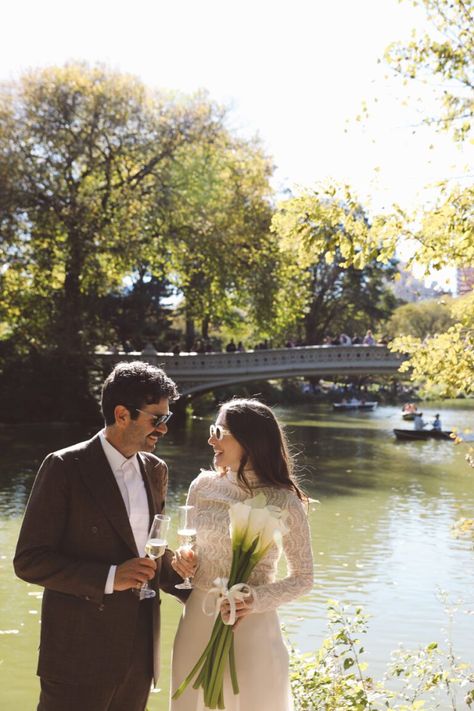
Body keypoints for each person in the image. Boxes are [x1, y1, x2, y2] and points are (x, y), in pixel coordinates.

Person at [14, 361, 187, 711]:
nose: (164, 430)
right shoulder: (64, 466)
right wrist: (111, 577)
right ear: (123, 414)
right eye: (158, 419)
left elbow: (148, 553)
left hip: (139, 655)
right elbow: (29, 561)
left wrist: (195, 586)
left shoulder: (156, 470)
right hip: (78, 657)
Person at [170, 398, 314, 711]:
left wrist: (253, 599)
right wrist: (185, 558)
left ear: (248, 440)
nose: (211, 439)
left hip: (252, 627)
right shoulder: (202, 486)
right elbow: (191, 546)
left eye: (219, 432)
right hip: (198, 616)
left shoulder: (284, 500)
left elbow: (303, 578)